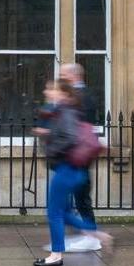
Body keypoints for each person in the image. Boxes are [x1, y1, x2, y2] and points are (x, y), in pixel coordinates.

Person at [33, 79, 112, 266]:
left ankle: (56, 255)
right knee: (65, 212)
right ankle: (98, 234)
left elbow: (69, 137)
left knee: (54, 213)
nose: (47, 92)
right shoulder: (62, 111)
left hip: (67, 169)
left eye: (52, 89)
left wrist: (50, 146)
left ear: (64, 94)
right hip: (69, 170)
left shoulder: (65, 112)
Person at [58, 63, 100, 252]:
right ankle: (87, 233)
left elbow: (78, 127)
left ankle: (92, 236)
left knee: (81, 196)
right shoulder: (77, 96)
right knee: (74, 195)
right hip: (74, 153)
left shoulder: (82, 97)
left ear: (74, 76)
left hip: (79, 153)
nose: (60, 78)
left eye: (63, 75)